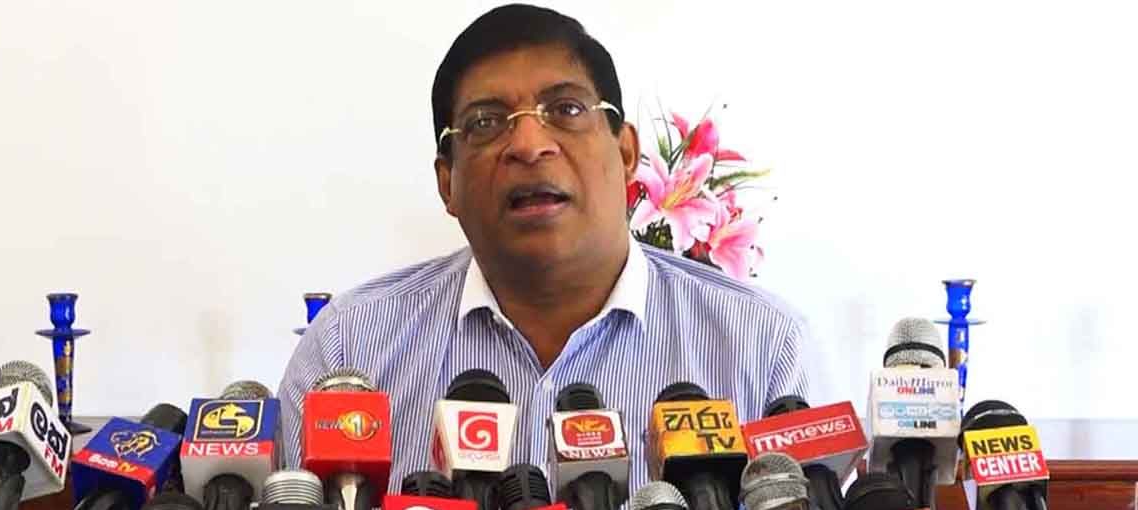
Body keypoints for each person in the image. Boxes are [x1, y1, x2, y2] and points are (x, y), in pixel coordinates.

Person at [278, 3, 809, 494]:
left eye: (566, 108)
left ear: (626, 153)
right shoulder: (350, 348)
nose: (529, 145)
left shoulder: (760, 345)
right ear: (447, 184)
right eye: (485, 123)